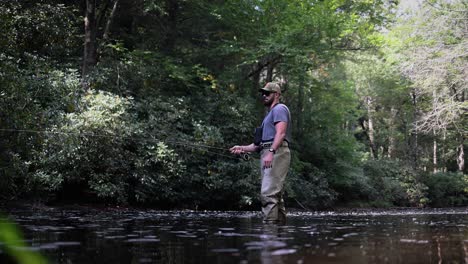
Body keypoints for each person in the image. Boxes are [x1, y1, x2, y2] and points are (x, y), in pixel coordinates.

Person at [230, 82, 291, 224]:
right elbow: (257, 146)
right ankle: (279, 232)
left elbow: (281, 133)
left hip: (277, 152)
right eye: (263, 93)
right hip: (269, 151)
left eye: (267, 93)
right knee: (275, 196)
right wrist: (241, 148)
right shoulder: (268, 117)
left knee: (268, 193)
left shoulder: (280, 109)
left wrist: (271, 152)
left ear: (276, 94)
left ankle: (269, 232)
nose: (264, 95)